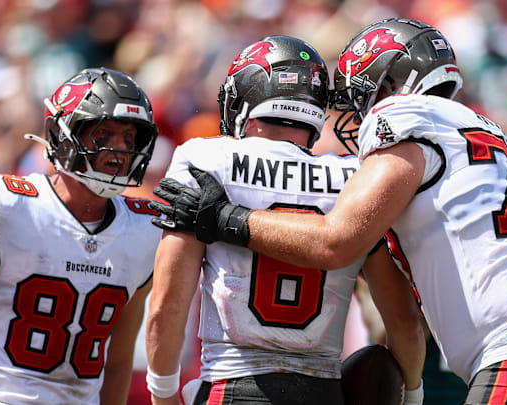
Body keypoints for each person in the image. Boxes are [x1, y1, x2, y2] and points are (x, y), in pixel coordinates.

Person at [149, 18, 507, 405]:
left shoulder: (402, 116)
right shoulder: (481, 126)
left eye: (364, 90)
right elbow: (398, 311)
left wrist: (226, 219)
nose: (360, 110)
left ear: (395, 82)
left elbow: (336, 241)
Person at [145, 36, 425, 405]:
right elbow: (402, 319)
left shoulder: (207, 158)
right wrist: (414, 393)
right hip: (323, 392)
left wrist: (163, 393)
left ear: (245, 96)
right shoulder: (354, 177)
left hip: (231, 386)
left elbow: (167, 304)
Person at [0, 67, 164, 404]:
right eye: (104, 135)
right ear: (63, 135)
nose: (119, 150)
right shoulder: (7, 207)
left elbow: (116, 363)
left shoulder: (142, 230)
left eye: (129, 138)